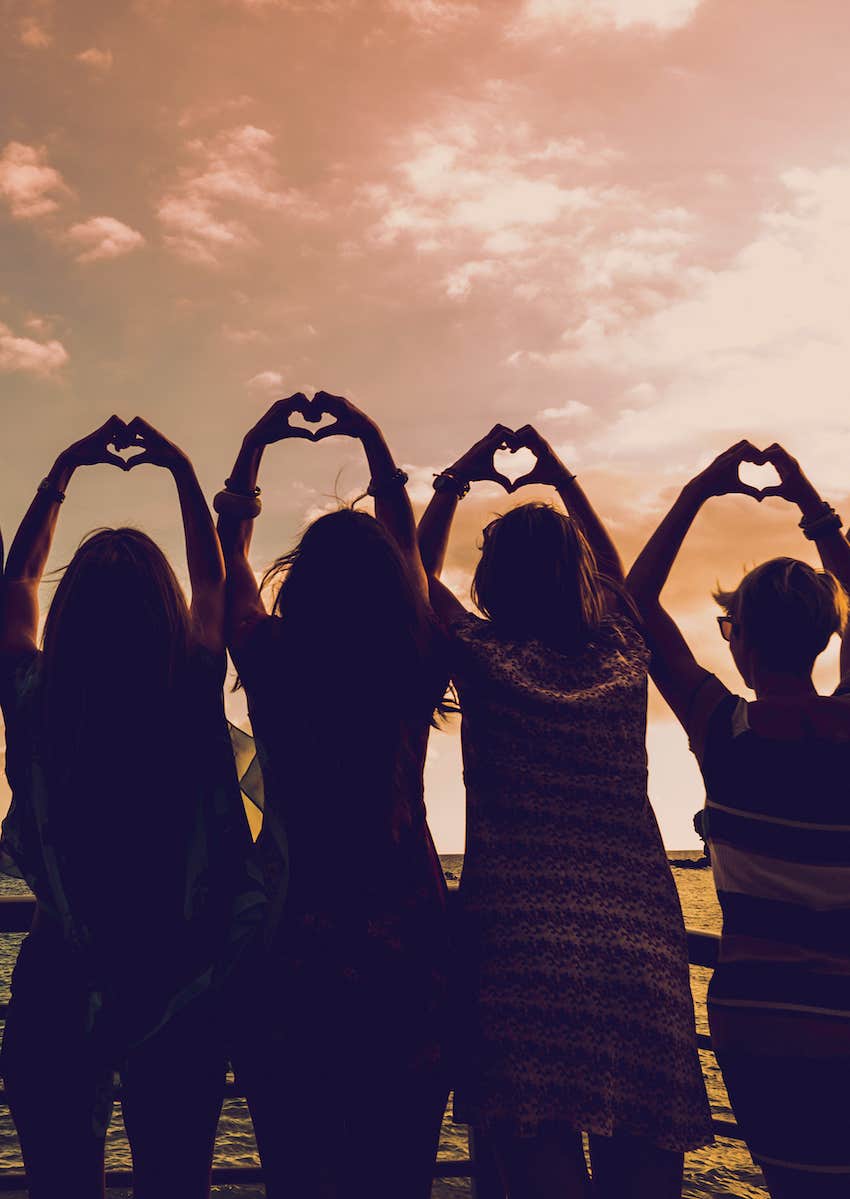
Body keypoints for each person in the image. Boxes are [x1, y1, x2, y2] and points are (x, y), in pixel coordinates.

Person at [418, 424, 712, 1199]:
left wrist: (453, 479)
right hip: (638, 956)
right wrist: (558, 473)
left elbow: (412, 570)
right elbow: (618, 580)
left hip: (519, 954)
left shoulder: (484, 658)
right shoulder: (622, 651)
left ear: (492, 583)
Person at [0, 416, 266, 1199]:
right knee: (175, 1179)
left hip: (59, 977)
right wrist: (180, 469)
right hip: (174, 983)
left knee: (58, 1184)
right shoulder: (186, 689)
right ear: (167, 611)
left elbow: (16, 588)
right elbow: (213, 585)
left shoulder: (36, 700)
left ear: (71, 614)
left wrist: (63, 470)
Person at [216, 391, 451, 1199]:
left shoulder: (273, 661)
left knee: (298, 1173)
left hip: (294, 955)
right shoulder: (415, 653)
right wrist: (373, 442)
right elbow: (413, 557)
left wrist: (256, 443)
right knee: (399, 1173)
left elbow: (230, 561)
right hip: (410, 954)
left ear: (303, 584)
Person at [626, 440, 850, 1199]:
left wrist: (698, 488)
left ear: (743, 640)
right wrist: (813, 511)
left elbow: (635, 600)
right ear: (825, 638)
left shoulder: (724, 731)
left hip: (755, 1018)